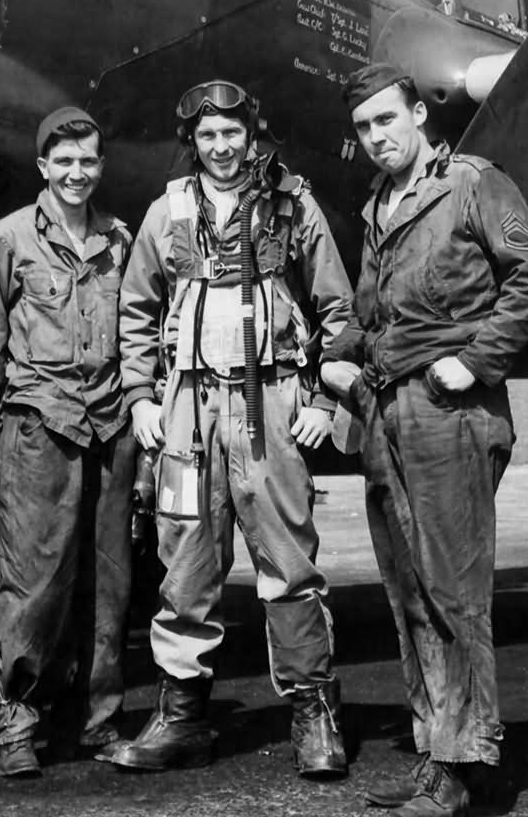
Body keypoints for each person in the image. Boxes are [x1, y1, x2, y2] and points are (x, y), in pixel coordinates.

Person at [320, 63, 528, 817]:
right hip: (388, 414)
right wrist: (336, 352)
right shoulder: (377, 208)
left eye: (387, 120)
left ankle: (464, 762)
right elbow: (372, 312)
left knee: (455, 594)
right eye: (363, 128)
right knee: (409, 595)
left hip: (449, 412)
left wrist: (476, 361)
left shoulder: (472, 184)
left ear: (419, 115)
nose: (376, 137)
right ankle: (436, 753)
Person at [104, 79, 353, 780]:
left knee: (289, 562)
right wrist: (140, 398)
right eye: (208, 136)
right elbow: (135, 310)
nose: (221, 147)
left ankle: (313, 713)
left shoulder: (292, 204)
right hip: (186, 409)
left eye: (232, 134)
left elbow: (338, 307)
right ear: (193, 143)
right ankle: (181, 718)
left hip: (268, 405)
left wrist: (324, 404)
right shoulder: (167, 211)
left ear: (252, 135)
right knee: (184, 562)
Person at [0, 106, 136, 778]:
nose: (76, 172)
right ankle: (18, 722)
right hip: (40, 425)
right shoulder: (7, 239)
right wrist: (12, 418)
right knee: (33, 584)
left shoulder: (119, 240)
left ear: (100, 165)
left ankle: (98, 721)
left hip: (111, 427)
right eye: (63, 161)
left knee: (109, 584)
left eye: (88, 160)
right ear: (43, 167)